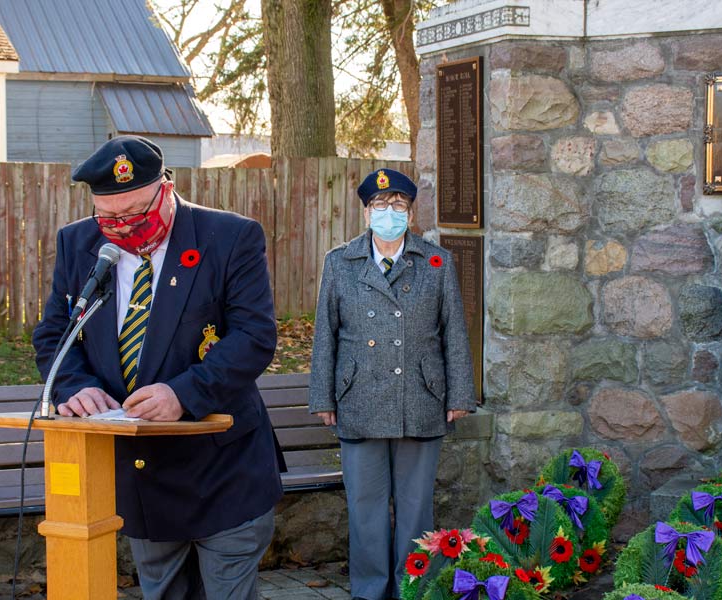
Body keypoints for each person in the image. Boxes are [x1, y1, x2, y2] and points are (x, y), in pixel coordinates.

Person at [32, 135, 283, 600]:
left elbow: (253, 337)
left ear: (166, 190)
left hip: (222, 469)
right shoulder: (79, 243)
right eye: (109, 218)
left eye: (135, 214)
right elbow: (54, 335)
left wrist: (183, 393)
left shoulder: (229, 237)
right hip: (142, 474)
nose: (123, 228)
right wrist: (74, 385)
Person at [308, 168, 476, 600]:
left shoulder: (436, 262)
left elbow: (454, 332)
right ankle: (369, 591)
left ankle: (413, 588)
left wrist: (459, 394)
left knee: (416, 508)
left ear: (411, 213)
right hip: (359, 400)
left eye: (398, 205)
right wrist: (323, 397)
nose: (389, 212)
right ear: (366, 213)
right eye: (380, 205)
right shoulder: (339, 262)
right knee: (365, 508)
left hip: (419, 399)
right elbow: (325, 335)